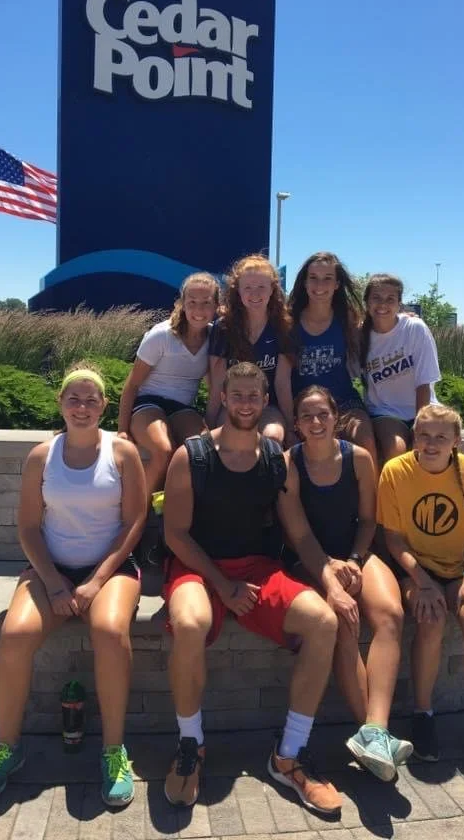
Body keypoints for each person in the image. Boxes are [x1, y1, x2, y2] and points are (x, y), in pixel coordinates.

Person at [163, 362, 342, 814]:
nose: (245, 403)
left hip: (258, 570)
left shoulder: (275, 461)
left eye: (253, 396)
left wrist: (331, 584)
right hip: (197, 568)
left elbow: (299, 534)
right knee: (189, 623)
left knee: (323, 621)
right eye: (237, 394)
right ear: (223, 398)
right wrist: (222, 585)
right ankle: (191, 745)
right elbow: (176, 535)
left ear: (266, 403)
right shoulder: (192, 455)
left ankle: (289, 756)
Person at [0, 363, 147, 806]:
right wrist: (53, 583)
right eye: (74, 398)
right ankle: (7, 748)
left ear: (104, 405)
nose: (82, 407)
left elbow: (135, 522)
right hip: (52, 570)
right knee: (15, 634)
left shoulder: (122, 453)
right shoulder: (41, 456)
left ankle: (113, 751)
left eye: (91, 400)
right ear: (60, 404)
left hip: (110, 570)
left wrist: (94, 583)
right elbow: (29, 527)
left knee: (108, 631)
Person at [277, 385, 412, 782]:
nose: (316, 422)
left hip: (355, 553)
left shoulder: (360, 458)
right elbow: (299, 536)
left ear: (336, 416)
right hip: (310, 562)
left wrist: (353, 560)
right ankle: (373, 735)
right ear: (297, 424)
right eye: (307, 416)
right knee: (344, 623)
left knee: (390, 614)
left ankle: (373, 731)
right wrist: (331, 577)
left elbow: (369, 520)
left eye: (323, 414)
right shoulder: (289, 463)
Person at [379, 403, 464, 775]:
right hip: (415, 570)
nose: (431, 444)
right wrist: (422, 582)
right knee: (430, 619)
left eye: (440, 437)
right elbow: (393, 539)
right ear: (414, 436)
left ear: (456, 441)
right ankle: (423, 714)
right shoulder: (395, 472)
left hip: (460, 571)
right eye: (424, 435)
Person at [117, 272, 219, 499]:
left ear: (216, 307)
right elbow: (132, 385)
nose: (199, 310)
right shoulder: (161, 335)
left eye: (206, 303)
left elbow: (214, 386)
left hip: (183, 407)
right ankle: (137, 516)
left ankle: (173, 514)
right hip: (148, 403)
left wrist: (212, 425)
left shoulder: (215, 338)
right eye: (192, 302)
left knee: (204, 452)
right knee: (163, 450)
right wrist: (123, 430)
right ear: (182, 304)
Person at [288, 252, 378, 473]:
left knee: (365, 440)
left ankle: (374, 504)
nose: (320, 284)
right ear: (305, 282)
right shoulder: (288, 320)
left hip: (344, 402)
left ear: (337, 283)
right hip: (303, 407)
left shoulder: (348, 318)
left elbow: (383, 322)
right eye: (314, 277)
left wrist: (405, 317)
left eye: (327, 278)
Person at [206, 254, 294, 445]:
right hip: (232, 406)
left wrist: (291, 426)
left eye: (261, 287)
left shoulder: (283, 328)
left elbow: (282, 384)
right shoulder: (223, 328)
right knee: (233, 437)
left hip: (267, 406)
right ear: (238, 291)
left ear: (272, 289)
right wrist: (209, 424)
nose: (255, 294)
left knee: (272, 437)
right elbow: (217, 383)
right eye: (248, 287)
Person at [359, 274, 441, 467]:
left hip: (423, 406)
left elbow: (423, 383)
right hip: (384, 410)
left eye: (390, 299)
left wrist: (419, 427)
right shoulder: (360, 336)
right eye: (376, 298)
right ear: (367, 302)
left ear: (399, 304)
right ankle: (390, 496)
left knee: (439, 447)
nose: (383, 304)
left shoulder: (415, 329)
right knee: (395, 449)